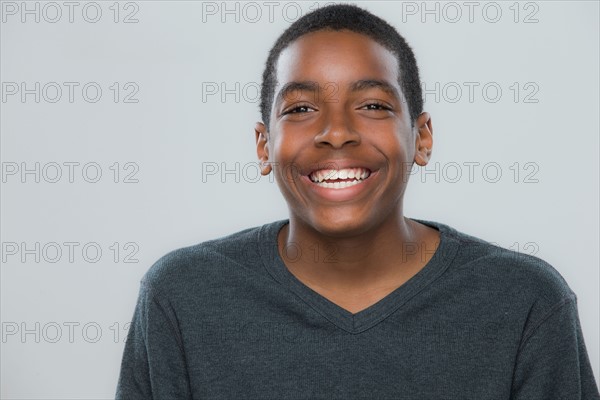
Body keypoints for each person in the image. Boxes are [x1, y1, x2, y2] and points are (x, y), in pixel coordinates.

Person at [115, 4, 600, 399]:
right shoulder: (182, 298)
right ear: (264, 146)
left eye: (372, 105)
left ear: (422, 137)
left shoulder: (524, 303)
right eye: (301, 109)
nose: (337, 133)